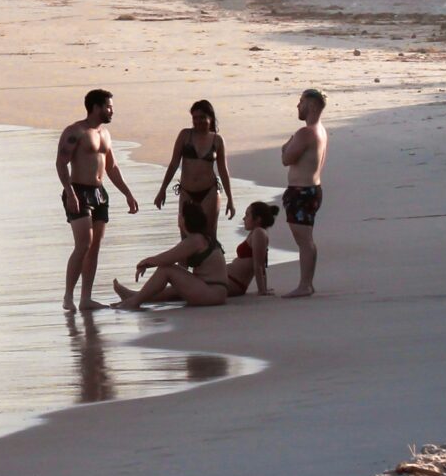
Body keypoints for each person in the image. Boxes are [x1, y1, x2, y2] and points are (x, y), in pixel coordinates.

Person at [56, 88, 140, 311]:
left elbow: (111, 167)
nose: (112, 111)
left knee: (94, 247)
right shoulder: (76, 131)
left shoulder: (105, 134)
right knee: (82, 245)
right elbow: (61, 163)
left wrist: (127, 193)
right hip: (78, 191)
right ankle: (68, 296)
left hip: (99, 193)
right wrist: (70, 193)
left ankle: (86, 298)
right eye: (109, 107)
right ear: (96, 107)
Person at [113, 200, 279, 309]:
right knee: (174, 285)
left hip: (214, 292)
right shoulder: (199, 238)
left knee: (166, 270)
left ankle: (134, 301)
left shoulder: (196, 240)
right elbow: (179, 261)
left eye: (180, 216)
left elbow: (167, 258)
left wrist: (145, 262)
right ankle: (135, 296)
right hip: (213, 289)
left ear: (185, 220)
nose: (178, 218)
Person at [150, 98, 234, 247]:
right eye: (195, 118)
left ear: (211, 118)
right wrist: (162, 190)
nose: (198, 121)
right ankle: (185, 270)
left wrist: (230, 200)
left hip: (210, 192)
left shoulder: (217, 140)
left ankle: (210, 269)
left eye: (202, 117)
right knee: (185, 237)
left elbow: (223, 170)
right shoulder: (185, 135)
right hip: (187, 191)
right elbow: (174, 163)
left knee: (209, 237)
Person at [280, 87, 328, 297]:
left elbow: (286, 158)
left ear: (312, 106)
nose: (297, 106)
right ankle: (306, 283)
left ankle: (305, 285)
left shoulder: (306, 132)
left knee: (304, 240)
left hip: (302, 191)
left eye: (301, 102)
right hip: (312, 189)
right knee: (306, 238)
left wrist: (288, 144)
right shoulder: (320, 130)